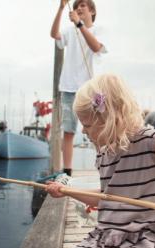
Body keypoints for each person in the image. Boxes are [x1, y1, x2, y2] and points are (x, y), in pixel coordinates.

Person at [44, 73, 155, 248]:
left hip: (146, 243)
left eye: (88, 125)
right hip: (108, 238)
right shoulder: (104, 153)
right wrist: (66, 191)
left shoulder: (151, 141)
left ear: (110, 119)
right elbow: (106, 198)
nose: (83, 130)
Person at [50, 0, 107, 176]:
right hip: (69, 88)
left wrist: (79, 24)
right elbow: (54, 34)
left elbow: (96, 47)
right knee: (68, 131)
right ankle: (67, 172)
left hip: (94, 89)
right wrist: (60, 9)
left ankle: (105, 168)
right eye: (76, 7)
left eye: (82, 6)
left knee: (100, 128)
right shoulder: (69, 30)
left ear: (92, 11)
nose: (78, 8)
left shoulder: (99, 30)